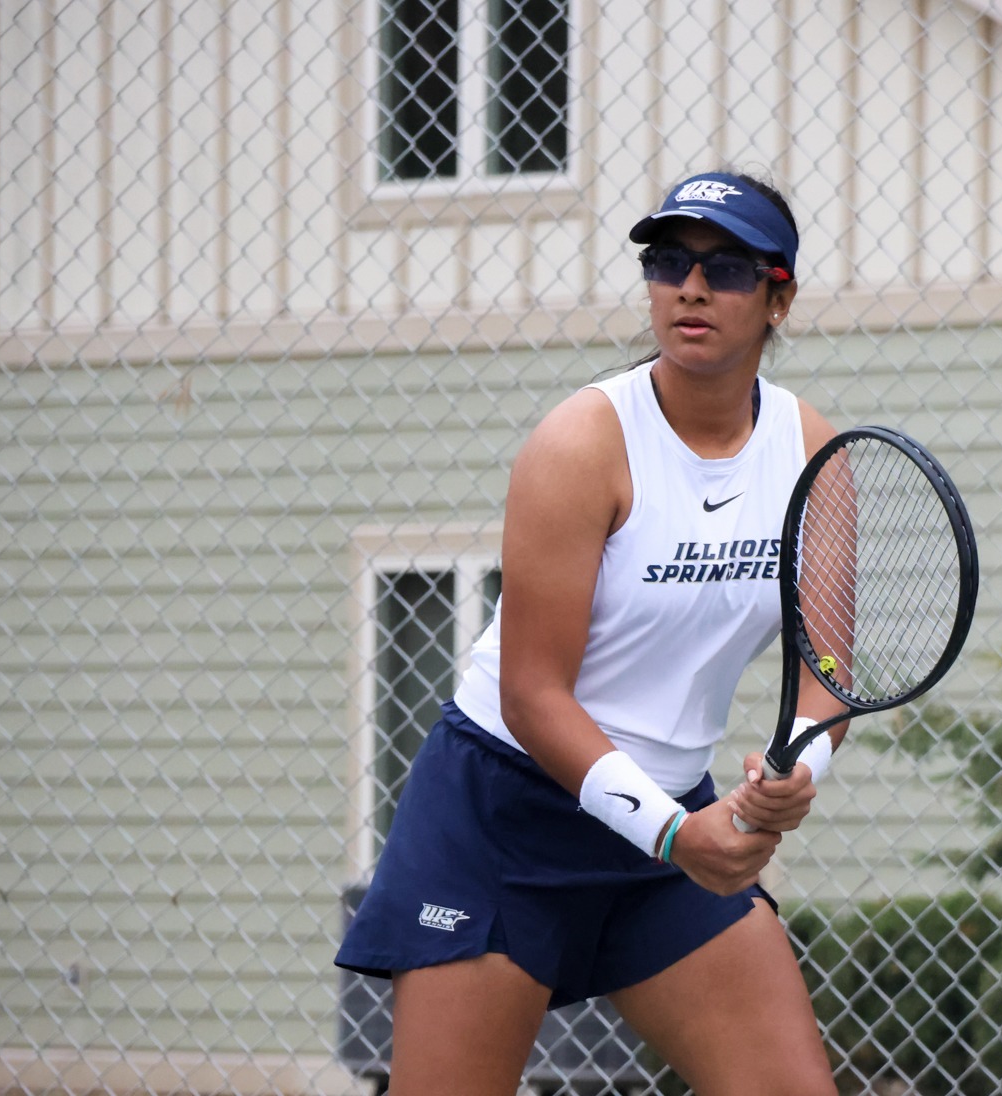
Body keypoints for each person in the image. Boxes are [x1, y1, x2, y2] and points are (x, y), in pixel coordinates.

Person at [335, 170, 844, 1096]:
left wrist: (799, 769)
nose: (690, 287)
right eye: (668, 261)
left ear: (780, 298)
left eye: (727, 268)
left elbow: (831, 664)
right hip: (504, 815)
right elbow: (534, 694)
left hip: (672, 820)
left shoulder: (813, 449)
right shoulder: (581, 442)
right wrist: (676, 835)